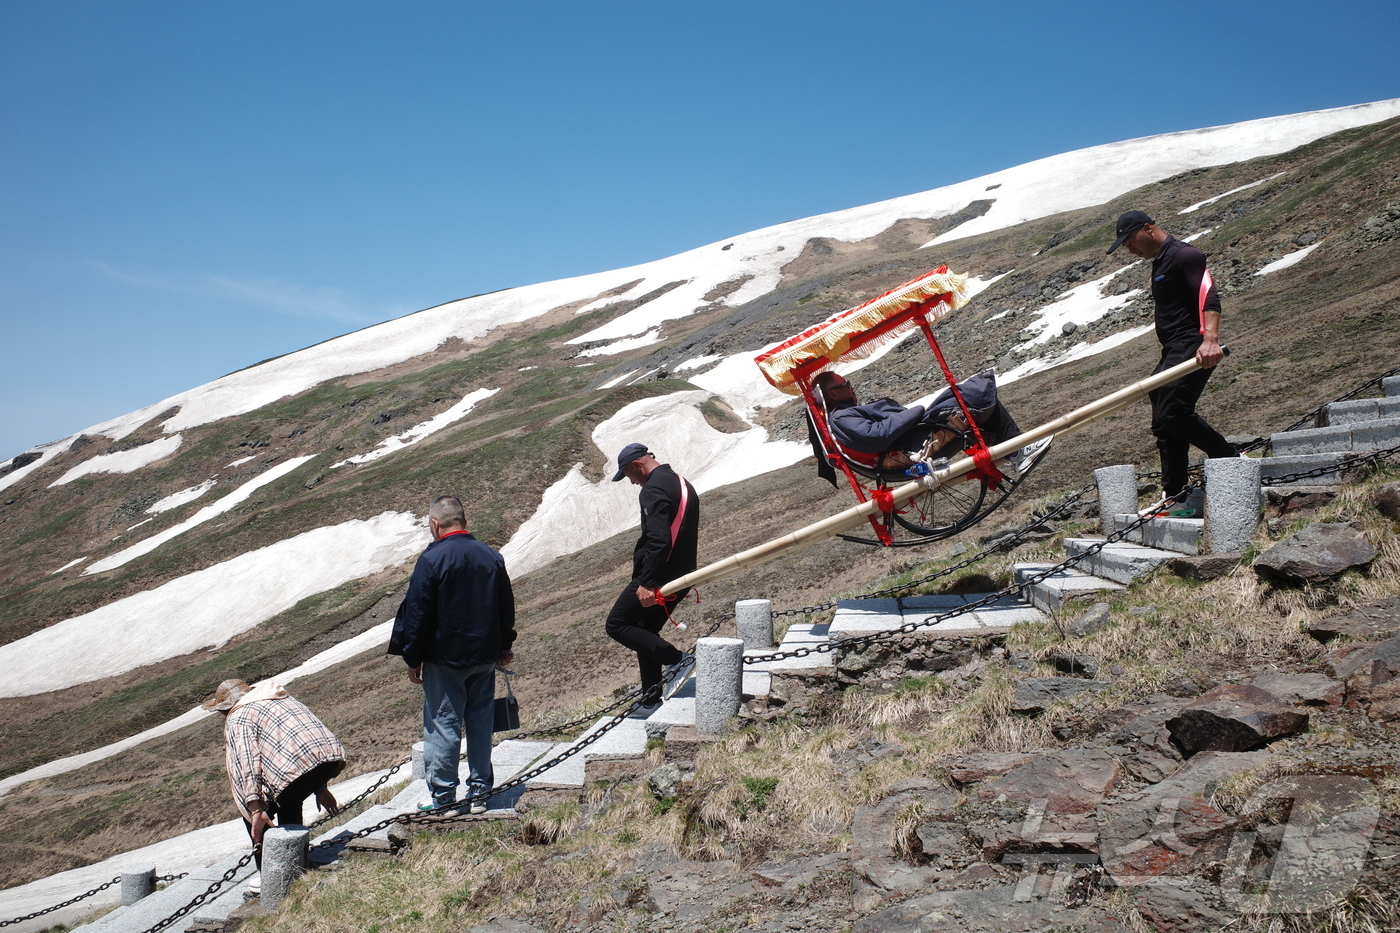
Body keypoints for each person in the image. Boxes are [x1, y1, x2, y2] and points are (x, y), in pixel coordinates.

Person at [388, 494, 516, 813]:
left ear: (435, 524)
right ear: (464, 521)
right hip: (485, 657)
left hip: (445, 659)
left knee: (443, 724)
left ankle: (444, 797)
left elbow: (418, 613)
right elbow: (506, 607)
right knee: (481, 722)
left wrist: (412, 657)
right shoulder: (491, 556)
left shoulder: (432, 560)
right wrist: (504, 647)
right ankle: (480, 793)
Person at [1108, 210, 1236, 504]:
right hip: (1172, 349)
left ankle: (1230, 458)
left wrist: (1210, 340)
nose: (1130, 249)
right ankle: (1175, 492)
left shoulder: (1185, 255)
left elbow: (1209, 296)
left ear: (1147, 229)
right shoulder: (1160, 262)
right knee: (1163, 421)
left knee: (1172, 411)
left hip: (1191, 344)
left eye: (1130, 241)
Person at [204, 678, 346, 867]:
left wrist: (255, 807)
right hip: (330, 760)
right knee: (288, 800)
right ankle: (296, 859)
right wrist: (320, 786)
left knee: (257, 818)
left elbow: (246, 760)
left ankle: (270, 872)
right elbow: (300, 744)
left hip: (297, 772)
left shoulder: (238, 716)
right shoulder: (278, 698)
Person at [605, 443, 699, 710]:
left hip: (660, 575)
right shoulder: (680, 481)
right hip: (682, 573)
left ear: (636, 465)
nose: (632, 482)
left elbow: (659, 540)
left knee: (617, 624)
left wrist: (647, 582)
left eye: (628, 475)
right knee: (645, 629)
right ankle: (650, 697)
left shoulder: (653, 488)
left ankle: (677, 659)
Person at [809, 369, 1027, 481]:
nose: (852, 388)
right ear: (833, 393)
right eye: (846, 384)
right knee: (969, 392)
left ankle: (1016, 452)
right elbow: (876, 435)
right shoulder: (841, 418)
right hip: (915, 444)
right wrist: (915, 411)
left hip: (913, 438)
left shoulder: (842, 416)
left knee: (968, 397)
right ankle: (1018, 453)